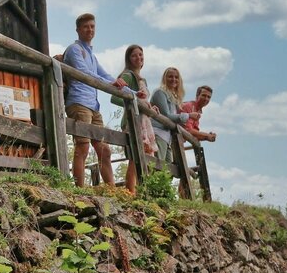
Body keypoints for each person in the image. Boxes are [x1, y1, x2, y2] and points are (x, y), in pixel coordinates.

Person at [63, 13, 128, 187]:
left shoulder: (92, 55)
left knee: (104, 149)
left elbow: (105, 75)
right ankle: (80, 191)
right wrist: (109, 82)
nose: (90, 29)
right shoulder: (74, 50)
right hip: (79, 102)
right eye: (86, 26)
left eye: (92, 26)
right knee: (82, 148)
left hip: (93, 105)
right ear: (78, 29)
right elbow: (84, 73)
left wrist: (134, 93)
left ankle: (112, 190)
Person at [110, 44, 157, 193]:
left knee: (145, 156)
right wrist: (134, 102)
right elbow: (114, 98)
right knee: (134, 157)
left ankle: (141, 192)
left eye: (141, 55)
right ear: (129, 59)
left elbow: (142, 101)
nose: (139, 58)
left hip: (144, 122)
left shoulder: (143, 80)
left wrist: (149, 107)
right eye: (134, 55)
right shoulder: (128, 76)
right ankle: (130, 192)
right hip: (133, 121)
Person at [150, 67, 200, 164]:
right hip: (158, 133)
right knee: (157, 167)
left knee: (167, 171)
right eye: (170, 77)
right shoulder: (160, 93)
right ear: (165, 78)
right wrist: (189, 115)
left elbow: (176, 118)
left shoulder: (174, 98)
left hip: (167, 137)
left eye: (176, 77)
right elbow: (167, 116)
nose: (174, 79)